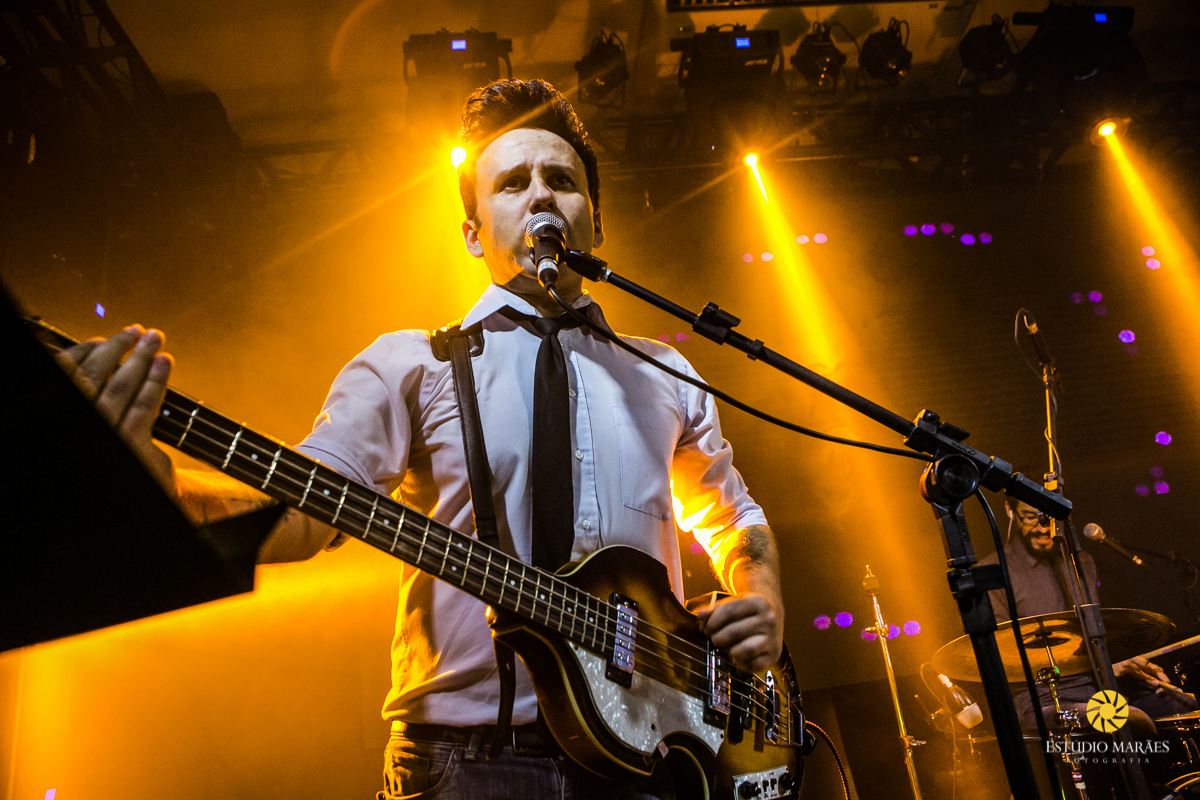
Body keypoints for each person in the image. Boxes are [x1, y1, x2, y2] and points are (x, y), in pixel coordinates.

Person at [52, 79, 785, 799]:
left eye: (561, 180)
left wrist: (763, 599)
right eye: (513, 183)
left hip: (646, 763)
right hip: (468, 762)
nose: (540, 195)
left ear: (597, 222)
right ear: (472, 233)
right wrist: (162, 492)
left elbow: (736, 518)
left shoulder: (665, 373)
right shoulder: (409, 366)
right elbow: (304, 512)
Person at [980, 495, 1193, 731]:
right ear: (1010, 510)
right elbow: (1001, 658)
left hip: (1106, 692)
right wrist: (1094, 662)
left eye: (1050, 518)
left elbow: (1094, 634)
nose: (1043, 527)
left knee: (1186, 705)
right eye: (1031, 517)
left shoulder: (1082, 561)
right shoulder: (991, 572)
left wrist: (1123, 660)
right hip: (1047, 701)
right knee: (1129, 719)